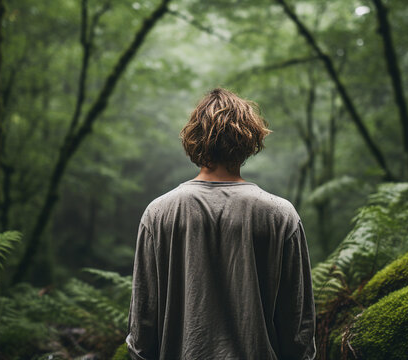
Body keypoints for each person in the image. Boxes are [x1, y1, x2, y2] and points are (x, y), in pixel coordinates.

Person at [126, 88, 316, 360]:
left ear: (194, 139)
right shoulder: (279, 214)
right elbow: (298, 328)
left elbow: (142, 326)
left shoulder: (159, 213)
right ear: (249, 139)